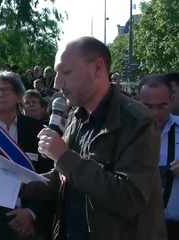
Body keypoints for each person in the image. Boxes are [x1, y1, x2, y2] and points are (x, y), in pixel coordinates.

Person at [21, 36, 167, 240]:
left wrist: (63, 156)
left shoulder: (137, 121)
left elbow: (128, 197)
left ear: (97, 68)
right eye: (56, 73)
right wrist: (19, 183)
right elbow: (65, 178)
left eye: (66, 72)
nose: (57, 82)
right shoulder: (77, 115)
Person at [0, 71, 54, 240]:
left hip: (33, 223)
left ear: (19, 96)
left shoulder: (35, 129)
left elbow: (47, 177)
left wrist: (30, 214)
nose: (0, 95)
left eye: (6, 90)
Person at [138, 74, 179, 239]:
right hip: (137, 229)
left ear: (172, 99)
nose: (155, 113)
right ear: (137, 100)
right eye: (148, 106)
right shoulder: (123, 134)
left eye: (162, 106)